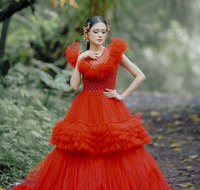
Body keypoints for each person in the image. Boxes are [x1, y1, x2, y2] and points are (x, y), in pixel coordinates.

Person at [10, 15, 173, 190]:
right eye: (96, 31)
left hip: (109, 106)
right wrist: (81, 60)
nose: (100, 35)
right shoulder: (82, 57)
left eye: (103, 31)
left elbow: (140, 75)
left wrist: (122, 95)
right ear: (87, 34)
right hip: (84, 107)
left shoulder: (113, 53)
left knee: (113, 149)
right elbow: (74, 86)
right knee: (82, 149)